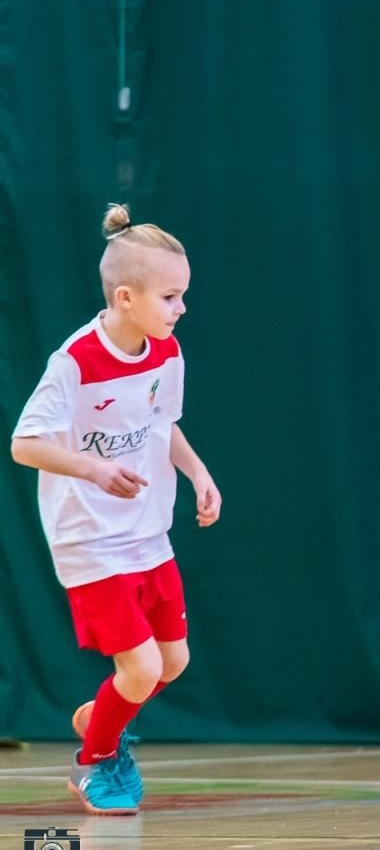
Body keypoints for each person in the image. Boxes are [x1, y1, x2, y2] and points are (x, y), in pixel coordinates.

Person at [11, 204, 222, 814]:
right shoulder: (74, 361)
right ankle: (95, 763)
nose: (181, 309)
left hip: (148, 533)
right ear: (126, 297)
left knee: (172, 662)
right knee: (141, 666)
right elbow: (24, 445)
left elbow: (166, 426)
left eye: (183, 296)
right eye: (171, 296)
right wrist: (96, 467)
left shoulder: (166, 352)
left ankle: (102, 716)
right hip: (91, 542)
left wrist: (200, 473)